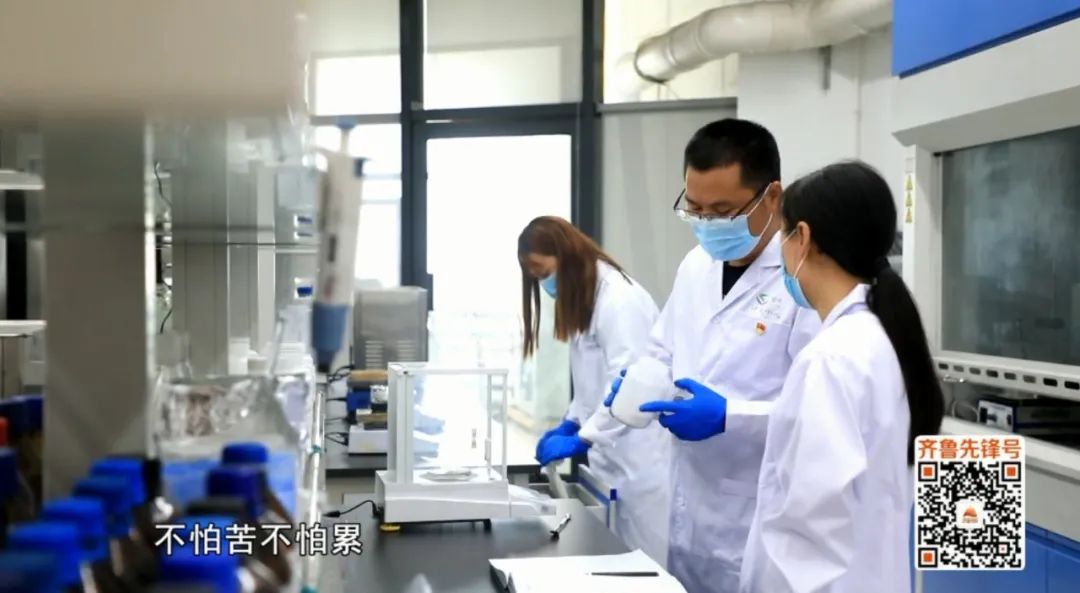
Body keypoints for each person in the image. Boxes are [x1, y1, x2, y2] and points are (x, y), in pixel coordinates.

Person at [605, 118, 820, 593]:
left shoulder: (804, 281)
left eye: (722, 211)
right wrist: (639, 384)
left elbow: (819, 413)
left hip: (757, 515)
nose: (707, 224)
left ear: (772, 196)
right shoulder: (696, 266)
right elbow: (663, 348)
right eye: (695, 209)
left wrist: (731, 416)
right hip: (690, 508)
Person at [737, 161, 944, 593]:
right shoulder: (881, 339)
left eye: (783, 234)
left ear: (802, 238)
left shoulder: (830, 361)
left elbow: (808, 541)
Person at [520, 216, 670, 564]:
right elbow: (592, 382)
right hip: (610, 465)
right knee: (612, 566)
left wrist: (584, 437)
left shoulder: (620, 300)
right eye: (537, 278)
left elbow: (631, 387)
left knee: (643, 570)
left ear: (567, 255)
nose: (545, 285)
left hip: (641, 467)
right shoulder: (586, 298)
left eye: (545, 273)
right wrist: (571, 421)